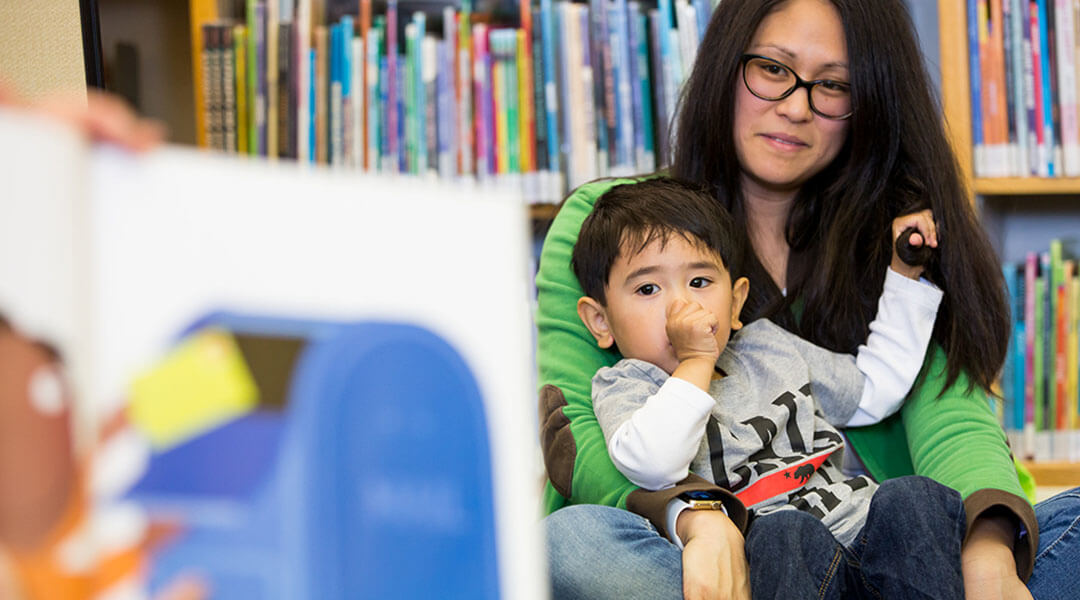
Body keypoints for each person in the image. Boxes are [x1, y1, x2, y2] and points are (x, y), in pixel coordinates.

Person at [535, 1, 1080, 599]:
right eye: (772, 69)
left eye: (834, 85)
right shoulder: (614, 224)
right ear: (725, 67)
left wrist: (987, 553)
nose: (796, 108)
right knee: (574, 544)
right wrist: (698, 519)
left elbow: (929, 402)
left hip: (891, 553)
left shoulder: (898, 236)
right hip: (720, 561)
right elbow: (581, 441)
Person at [571, 177, 962, 598]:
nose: (680, 307)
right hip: (780, 565)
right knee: (784, 530)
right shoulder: (626, 384)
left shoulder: (766, 347)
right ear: (601, 321)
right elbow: (653, 464)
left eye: (699, 283)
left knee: (914, 496)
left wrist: (905, 276)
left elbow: (874, 390)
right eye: (648, 288)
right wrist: (697, 361)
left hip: (863, 535)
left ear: (736, 303)